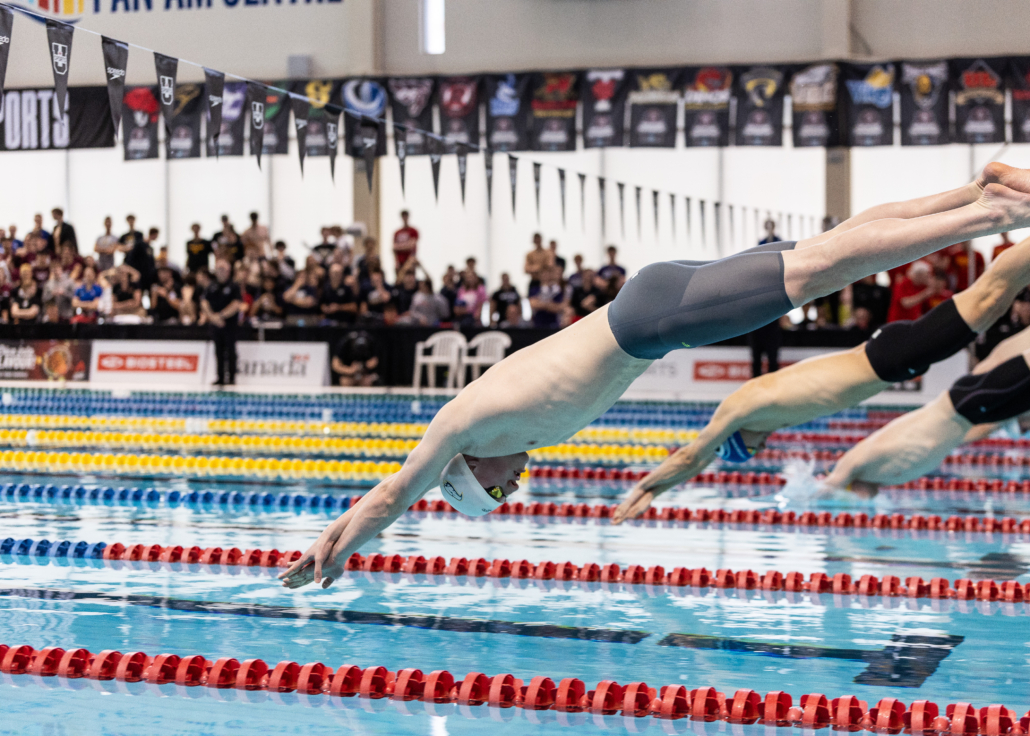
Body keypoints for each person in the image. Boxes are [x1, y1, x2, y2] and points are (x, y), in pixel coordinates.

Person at [281, 162, 1030, 590]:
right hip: (653, 303)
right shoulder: (500, 430)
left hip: (657, 321)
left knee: (827, 265)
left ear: (473, 469)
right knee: (829, 249)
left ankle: (991, 213)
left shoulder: (463, 425)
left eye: (500, 489)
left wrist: (333, 551)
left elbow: (389, 495)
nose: (517, 486)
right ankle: (976, 192)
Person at [612, 233, 1030, 523]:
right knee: (989, 299)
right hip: (885, 356)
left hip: (885, 360)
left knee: (990, 296)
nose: (765, 443)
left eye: (755, 446)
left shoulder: (739, 410)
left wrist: (648, 489)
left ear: (741, 439)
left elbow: (691, 456)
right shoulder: (759, 405)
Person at [824, 325, 1030, 497]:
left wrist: (817, 489)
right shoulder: (883, 475)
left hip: (959, 405)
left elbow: (830, 487)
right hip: (966, 416)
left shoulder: (855, 462)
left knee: (1009, 363)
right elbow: (867, 495)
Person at [202, 258, 242, 386]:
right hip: (215, 324)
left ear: (228, 271)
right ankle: (220, 377)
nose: (220, 271)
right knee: (218, 350)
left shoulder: (233, 286)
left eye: (223, 269)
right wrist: (213, 317)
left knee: (230, 350)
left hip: (229, 324)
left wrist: (220, 316)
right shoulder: (211, 286)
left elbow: (236, 304)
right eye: (218, 269)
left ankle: (231, 377)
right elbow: (204, 302)